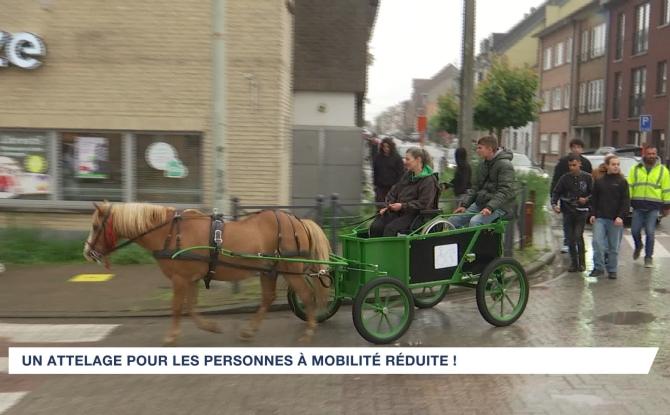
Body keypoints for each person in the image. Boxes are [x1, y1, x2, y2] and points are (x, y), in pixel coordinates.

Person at [369, 147, 439, 237]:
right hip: (400, 212)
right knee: (376, 226)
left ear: (418, 160)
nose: (404, 161)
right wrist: (389, 205)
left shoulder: (429, 180)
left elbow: (424, 203)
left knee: (390, 229)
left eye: (407, 159)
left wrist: (402, 206)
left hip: (416, 215)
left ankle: (390, 251)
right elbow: (393, 192)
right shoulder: (407, 175)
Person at [448, 136, 516, 228]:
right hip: (482, 203)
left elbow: (504, 191)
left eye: (480, 148)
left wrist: (490, 207)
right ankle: (456, 242)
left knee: (475, 222)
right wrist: (465, 205)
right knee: (453, 221)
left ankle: (479, 242)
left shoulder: (505, 165)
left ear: (490, 149)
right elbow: (475, 187)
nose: (477, 150)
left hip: (499, 206)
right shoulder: (483, 165)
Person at [627, 145, 670, 268]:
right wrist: (627, 202)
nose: (651, 156)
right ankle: (638, 245)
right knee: (635, 231)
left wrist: (667, 207)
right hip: (638, 205)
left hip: (653, 206)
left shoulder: (663, 170)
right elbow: (630, 186)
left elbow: (667, 189)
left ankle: (648, 258)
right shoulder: (635, 169)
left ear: (656, 154)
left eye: (653, 154)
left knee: (650, 232)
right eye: (649, 153)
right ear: (644, 154)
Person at [589, 155, 630, 279]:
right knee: (597, 243)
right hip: (600, 218)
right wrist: (592, 214)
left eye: (618, 164)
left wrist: (621, 217)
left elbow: (625, 201)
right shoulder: (599, 181)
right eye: (613, 164)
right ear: (607, 165)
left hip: (615, 220)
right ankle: (598, 267)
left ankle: (612, 269)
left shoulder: (622, 182)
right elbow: (594, 200)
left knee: (613, 247)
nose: (616, 166)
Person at [551, 154, 593, 272]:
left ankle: (582, 263)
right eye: (570, 165)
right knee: (570, 238)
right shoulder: (565, 178)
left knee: (577, 236)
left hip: (581, 211)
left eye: (574, 165)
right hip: (568, 211)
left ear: (579, 164)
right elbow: (556, 192)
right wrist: (554, 204)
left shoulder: (587, 178)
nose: (572, 168)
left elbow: (594, 193)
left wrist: (586, 199)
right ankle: (574, 263)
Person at [372, 137, 405, 203]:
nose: (386, 148)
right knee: (380, 205)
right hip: (380, 187)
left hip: (392, 187)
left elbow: (400, 173)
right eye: (384, 146)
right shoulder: (378, 157)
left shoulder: (397, 158)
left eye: (388, 147)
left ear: (391, 147)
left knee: (391, 205)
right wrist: (375, 184)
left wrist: (397, 186)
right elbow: (375, 171)